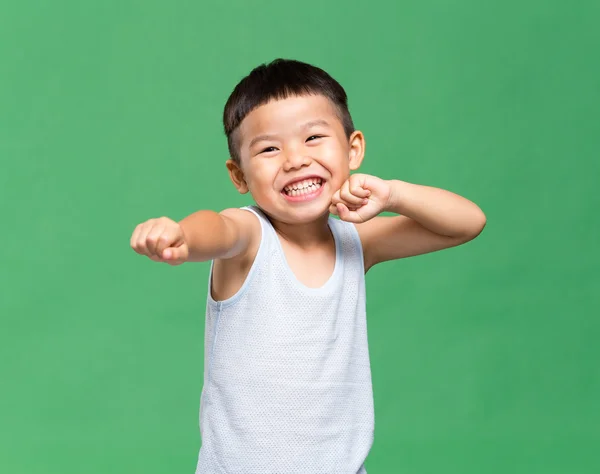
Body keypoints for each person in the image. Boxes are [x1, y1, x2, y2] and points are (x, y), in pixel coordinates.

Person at [130, 58, 486, 473]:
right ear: (239, 174)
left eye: (313, 137)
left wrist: (393, 195)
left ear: (353, 149)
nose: (295, 159)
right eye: (268, 148)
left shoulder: (357, 243)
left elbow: (466, 223)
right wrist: (182, 236)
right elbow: (218, 227)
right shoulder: (251, 238)